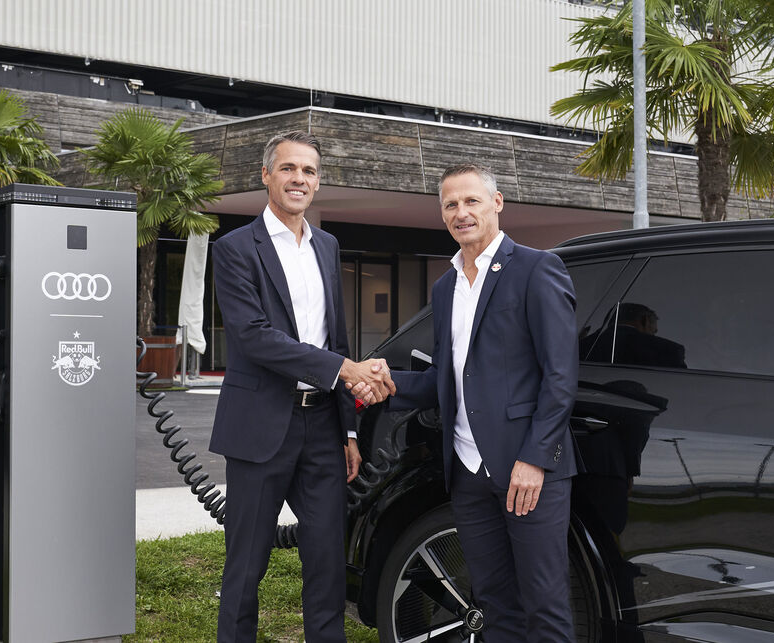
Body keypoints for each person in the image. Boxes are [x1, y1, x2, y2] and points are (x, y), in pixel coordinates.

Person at [354, 163, 578, 641]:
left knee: (545, 603)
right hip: (469, 473)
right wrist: (390, 380)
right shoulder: (446, 285)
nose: (461, 212)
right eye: (450, 204)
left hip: (527, 472)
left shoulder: (538, 269)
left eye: (471, 200)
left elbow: (561, 377)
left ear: (497, 203)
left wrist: (535, 460)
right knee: (493, 602)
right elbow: (447, 379)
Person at [210, 130, 395, 642]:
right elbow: (253, 339)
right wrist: (345, 368)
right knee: (246, 566)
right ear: (267, 175)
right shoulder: (235, 249)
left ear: (317, 182)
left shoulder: (327, 245)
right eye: (289, 169)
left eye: (309, 171)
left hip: (322, 428)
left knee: (327, 562)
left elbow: (335, 334)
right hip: (260, 425)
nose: (299, 179)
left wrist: (349, 431)